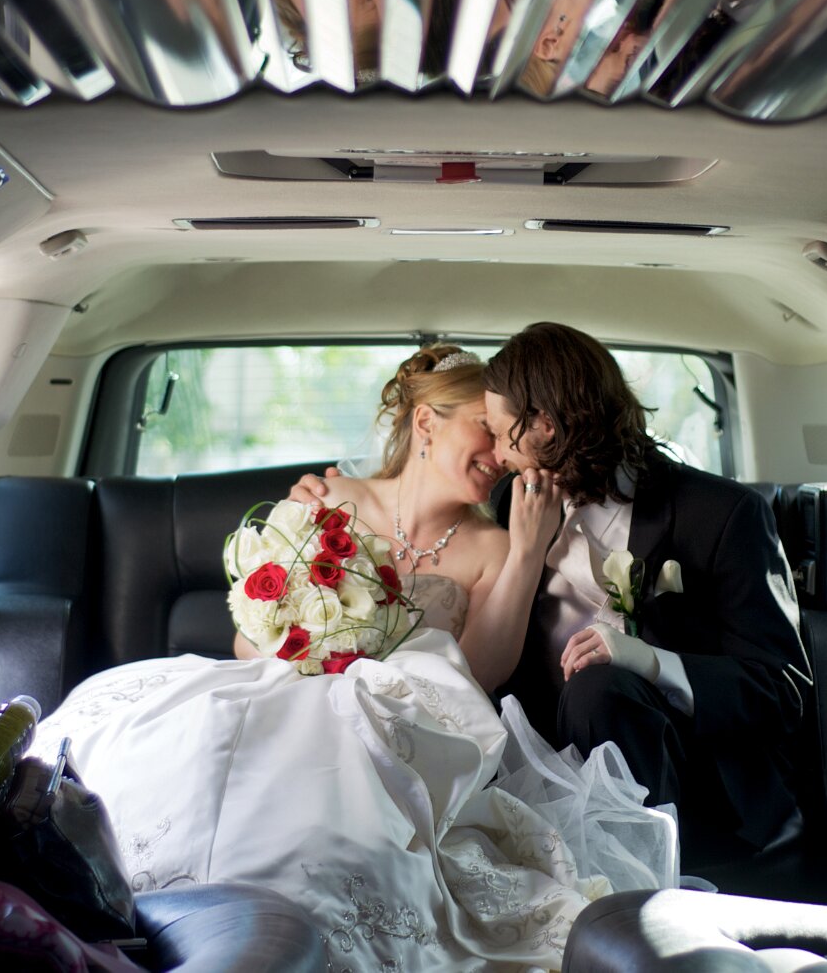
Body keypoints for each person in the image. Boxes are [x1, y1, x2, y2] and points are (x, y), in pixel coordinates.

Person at [34, 344, 677, 972]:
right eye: (484, 429)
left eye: (506, 436)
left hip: (398, 730)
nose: (500, 454)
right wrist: (316, 645)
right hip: (282, 693)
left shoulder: (494, 544)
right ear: (426, 422)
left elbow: (479, 675)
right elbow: (246, 641)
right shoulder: (323, 498)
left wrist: (527, 553)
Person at [296, 324, 814, 887]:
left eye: (500, 434)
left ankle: (636, 893)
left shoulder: (721, 513)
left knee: (600, 688)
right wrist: (320, 506)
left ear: (544, 423)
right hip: (537, 771)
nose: (496, 455)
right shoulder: (508, 499)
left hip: (693, 780)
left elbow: (782, 691)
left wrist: (650, 662)